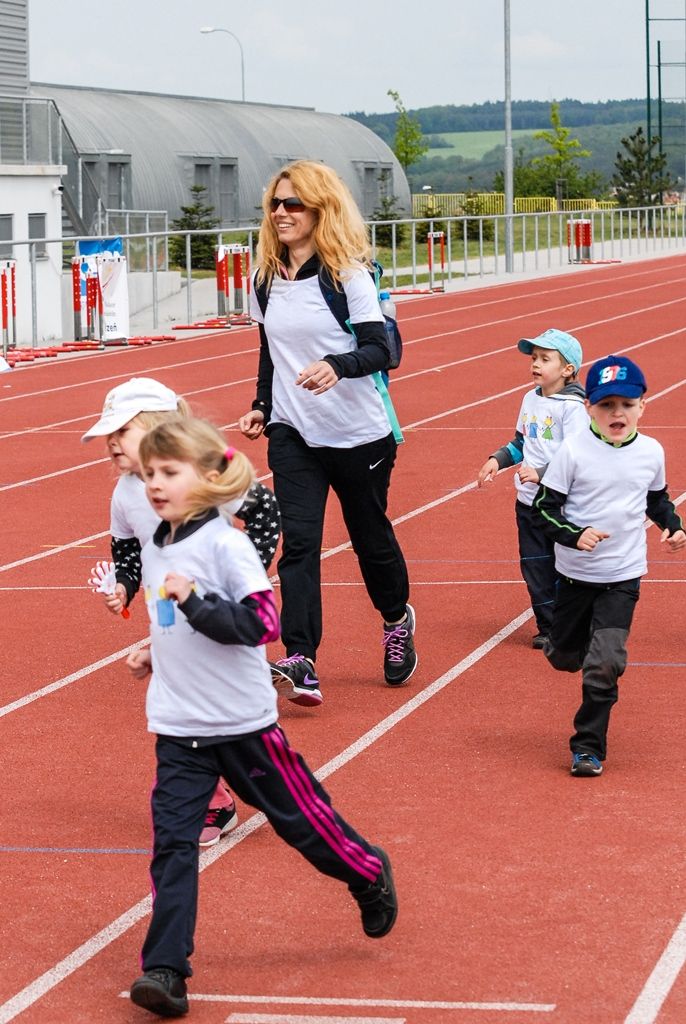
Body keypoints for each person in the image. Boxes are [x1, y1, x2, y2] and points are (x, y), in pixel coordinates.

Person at [126, 417, 398, 1018]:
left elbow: (261, 626)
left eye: (169, 472)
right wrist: (154, 646)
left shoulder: (225, 544)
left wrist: (193, 600)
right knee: (173, 845)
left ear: (206, 477)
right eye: (149, 473)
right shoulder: (157, 542)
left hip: (244, 725)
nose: (155, 484)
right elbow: (167, 613)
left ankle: (366, 871)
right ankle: (165, 968)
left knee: (301, 822)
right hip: (179, 726)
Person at [238, 160, 416, 707]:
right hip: (294, 433)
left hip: (358, 434)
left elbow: (383, 350)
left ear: (321, 210)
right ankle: (301, 657)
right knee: (300, 544)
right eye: (276, 204)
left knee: (369, 538)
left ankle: (395, 618)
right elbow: (271, 351)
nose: (282, 213)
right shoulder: (264, 279)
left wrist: (338, 365)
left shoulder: (348, 277)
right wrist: (263, 406)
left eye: (294, 204)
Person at [82, 377, 281, 846]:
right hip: (166, 609)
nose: (110, 442)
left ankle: (261, 780)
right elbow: (127, 549)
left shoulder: (198, 473)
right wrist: (126, 588)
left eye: (121, 431)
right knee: (178, 703)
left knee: (220, 698)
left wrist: (238, 580)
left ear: (156, 429)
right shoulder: (124, 494)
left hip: (215, 603)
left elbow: (266, 512)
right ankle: (213, 800)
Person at [531, 355, 685, 776]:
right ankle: (568, 647)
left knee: (606, 661)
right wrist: (574, 535)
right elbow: (543, 509)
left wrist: (672, 526)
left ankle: (587, 747)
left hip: (623, 576)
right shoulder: (572, 451)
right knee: (563, 657)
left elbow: (656, 499)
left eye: (627, 404)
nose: (617, 413)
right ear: (589, 410)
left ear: (642, 407)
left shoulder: (651, 451)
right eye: (606, 405)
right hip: (576, 575)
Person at [477, 328, 588, 648]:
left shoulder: (572, 407)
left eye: (544, 359)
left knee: (566, 564)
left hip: (561, 504)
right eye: (533, 358)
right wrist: (497, 460)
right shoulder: (530, 399)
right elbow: (521, 442)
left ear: (567, 369)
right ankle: (548, 626)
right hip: (528, 502)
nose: (535, 364)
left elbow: (577, 454)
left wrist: (541, 473)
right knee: (535, 564)